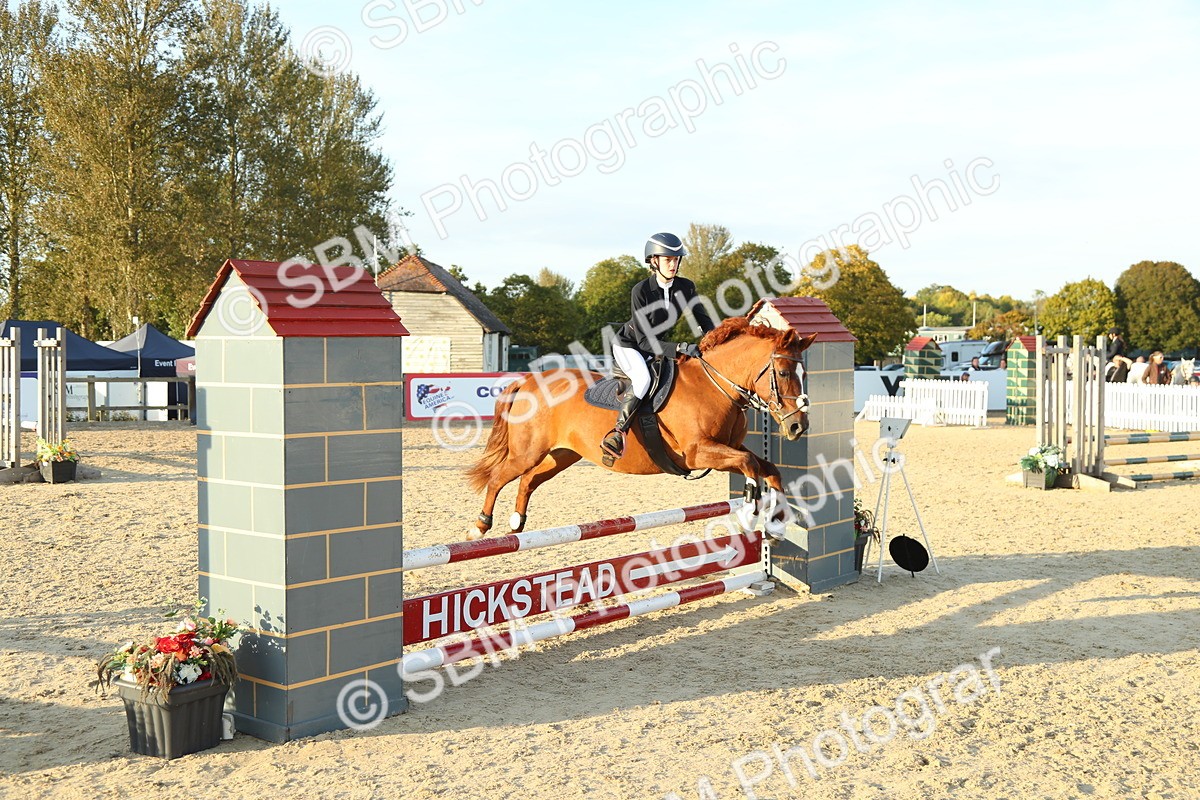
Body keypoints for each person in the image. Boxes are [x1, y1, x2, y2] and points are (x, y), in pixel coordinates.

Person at [602, 232, 717, 460]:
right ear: (654, 261)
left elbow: (704, 321)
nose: (673, 265)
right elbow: (644, 341)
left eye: (676, 260)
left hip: (657, 347)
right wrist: (680, 348)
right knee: (643, 380)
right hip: (630, 346)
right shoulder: (641, 291)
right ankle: (618, 433)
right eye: (668, 260)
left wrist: (717, 341)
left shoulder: (685, 287)